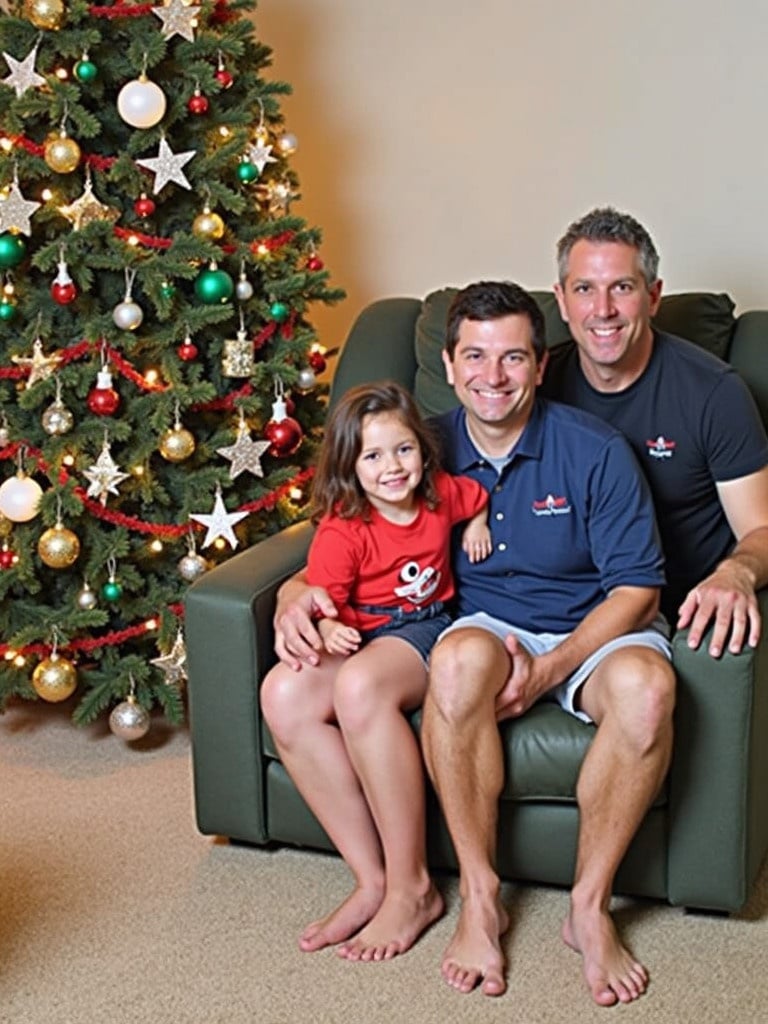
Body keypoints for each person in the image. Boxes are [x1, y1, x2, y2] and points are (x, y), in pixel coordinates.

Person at [274, 282, 676, 1006]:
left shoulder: (595, 451)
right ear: (451, 366)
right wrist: (292, 595)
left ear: (540, 365)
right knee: (457, 665)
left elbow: (638, 590)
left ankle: (590, 906)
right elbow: (353, 538)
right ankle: (478, 896)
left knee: (648, 692)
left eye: (513, 357)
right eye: (477, 359)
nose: (494, 377)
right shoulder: (417, 445)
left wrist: (554, 663)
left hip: (595, 626)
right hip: (486, 626)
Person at [260, 381, 491, 963]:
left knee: (359, 684)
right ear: (349, 467)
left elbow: (478, 495)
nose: (393, 467)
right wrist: (328, 627)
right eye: (372, 456)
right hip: (361, 629)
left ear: (422, 449)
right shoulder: (344, 528)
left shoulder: (440, 495)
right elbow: (325, 598)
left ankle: (414, 886)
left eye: (404, 449)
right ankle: (373, 879)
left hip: (425, 626)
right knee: (283, 693)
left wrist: (480, 523)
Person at [544, 206, 768, 656]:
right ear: (561, 299)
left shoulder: (713, 393)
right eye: (584, 289)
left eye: (622, 288)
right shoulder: (537, 384)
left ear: (653, 296)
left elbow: (761, 527)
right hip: (560, 607)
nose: (602, 310)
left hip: (667, 610)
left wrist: (735, 572)